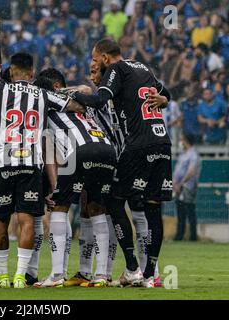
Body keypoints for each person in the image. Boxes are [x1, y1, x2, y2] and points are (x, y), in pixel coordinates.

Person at [0, 52, 85, 289]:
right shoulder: (43, 94)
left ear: (11, 71)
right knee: (27, 220)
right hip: (30, 165)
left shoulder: (0, 90)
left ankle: (2, 275)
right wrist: (67, 93)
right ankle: (20, 276)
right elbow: (76, 106)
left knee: (0, 219)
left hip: (3, 164)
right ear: (32, 74)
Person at [71, 39, 172, 288]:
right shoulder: (143, 68)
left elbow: (99, 100)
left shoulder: (117, 69)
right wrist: (165, 101)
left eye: (96, 58)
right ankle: (150, 274)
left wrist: (70, 94)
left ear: (106, 57)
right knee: (152, 208)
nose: (95, 63)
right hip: (162, 142)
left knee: (115, 202)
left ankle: (132, 268)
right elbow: (165, 93)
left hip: (138, 145)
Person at [32, 68, 116, 288]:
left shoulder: (45, 104)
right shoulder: (78, 97)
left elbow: (49, 151)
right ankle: (100, 275)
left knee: (60, 207)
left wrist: (54, 186)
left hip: (81, 150)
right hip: (107, 149)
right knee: (97, 208)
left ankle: (57, 274)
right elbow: (86, 89)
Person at [173, 133, 201, 241]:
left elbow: (191, 171)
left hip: (187, 187)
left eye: (182, 140)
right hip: (179, 187)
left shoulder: (193, 155)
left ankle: (192, 236)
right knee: (180, 212)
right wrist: (175, 183)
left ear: (186, 141)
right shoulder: (183, 154)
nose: (181, 142)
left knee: (189, 211)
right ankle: (180, 235)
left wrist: (181, 183)